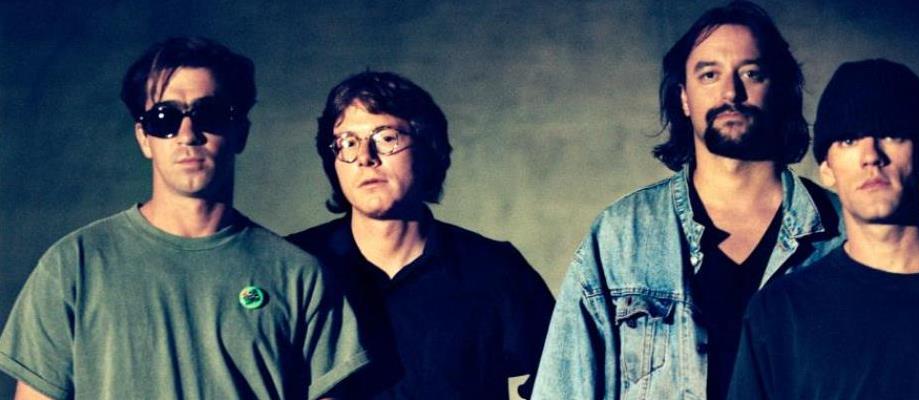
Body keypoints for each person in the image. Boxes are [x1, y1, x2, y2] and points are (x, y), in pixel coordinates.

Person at [0, 37, 369, 399]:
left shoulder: (298, 276)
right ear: (144, 138)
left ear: (240, 132)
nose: (188, 134)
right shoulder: (74, 266)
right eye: (165, 118)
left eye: (209, 114)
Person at [533, 2, 845, 399]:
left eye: (751, 73)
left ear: (781, 90)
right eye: (709, 74)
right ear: (683, 97)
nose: (731, 92)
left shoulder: (843, 235)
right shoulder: (622, 237)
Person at [727, 59, 919, 400]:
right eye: (848, 140)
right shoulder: (780, 313)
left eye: (892, 134)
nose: (871, 155)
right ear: (827, 168)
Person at [287, 71, 554, 399]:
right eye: (348, 142)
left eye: (386, 138)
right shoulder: (294, 266)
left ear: (428, 149)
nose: (366, 157)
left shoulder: (495, 268)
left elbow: (563, 382)